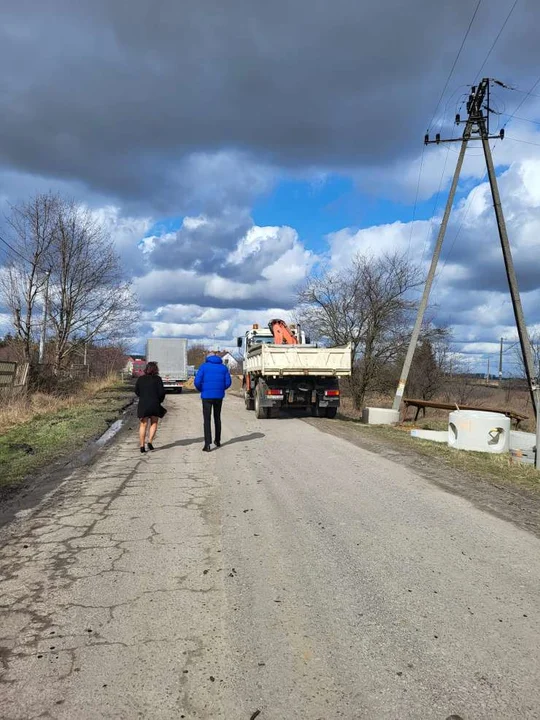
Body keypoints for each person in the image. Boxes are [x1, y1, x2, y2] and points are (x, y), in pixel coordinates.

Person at [194, 354, 232, 452]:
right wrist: (221, 389)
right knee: (217, 417)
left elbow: (197, 381)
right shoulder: (224, 368)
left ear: (208, 358)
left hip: (206, 396)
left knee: (207, 420)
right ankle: (218, 440)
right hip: (218, 396)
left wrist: (201, 389)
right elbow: (228, 383)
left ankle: (207, 444)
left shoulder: (203, 367)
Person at [135, 361, 166, 453]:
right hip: (154, 403)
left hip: (143, 404)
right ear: (156, 370)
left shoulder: (140, 379)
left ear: (146, 369)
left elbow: (136, 391)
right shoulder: (158, 379)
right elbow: (161, 393)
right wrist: (159, 400)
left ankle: (141, 446)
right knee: (154, 422)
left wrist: (143, 396)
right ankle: (150, 442)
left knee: (143, 424)